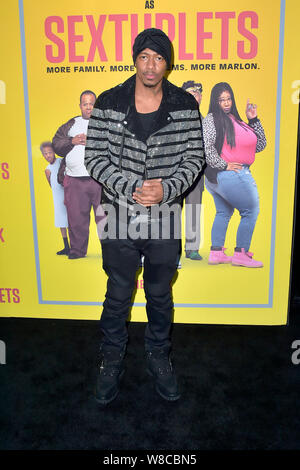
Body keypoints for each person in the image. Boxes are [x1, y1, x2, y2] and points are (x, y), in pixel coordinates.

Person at [84, 28, 204, 404]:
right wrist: (129, 186)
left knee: (158, 293)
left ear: (168, 63)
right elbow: (94, 158)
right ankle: (111, 358)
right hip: (118, 213)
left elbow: (195, 158)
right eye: (144, 57)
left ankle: (158, 355)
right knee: (118, 291)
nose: (151, 65)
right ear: (134, 59)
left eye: (159, 58)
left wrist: (167, 189)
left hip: (166, 214)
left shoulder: (185, 103)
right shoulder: (108, 102)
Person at [203, 82, 267, 267]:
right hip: (229, 175)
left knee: (224, 212)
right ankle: (241, 254)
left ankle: (216, 253)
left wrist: (253, 119)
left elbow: (260, 145)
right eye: (221, 99)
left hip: (224, 177)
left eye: (228, 98)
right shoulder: (212, 119)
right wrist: (223, 164)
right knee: (250, 211)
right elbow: (206, 148)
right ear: (215, 101)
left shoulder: (236, 120)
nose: (226, 103)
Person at [52, 90, 104, 259]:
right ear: (80, 106)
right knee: (75, 219)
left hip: (98, 180)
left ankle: (110, 252)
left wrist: (95, 142)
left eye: (91, 104)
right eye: (85, 104)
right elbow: (56, 145)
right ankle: (77, 251)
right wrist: (72, 141)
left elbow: (116, 146)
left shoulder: (103, 123)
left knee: (105, 218)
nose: (88, 107)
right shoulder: (71, 124)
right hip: (74, 180)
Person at [182, 81, 205, 261]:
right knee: (170, 212)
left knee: (194, 211)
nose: (194, 97)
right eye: (190, 93)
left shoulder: (206, 121)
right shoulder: (174, 118)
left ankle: (192, 249)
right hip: (175, 174)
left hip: (197, 175)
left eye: (197, 93)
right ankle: (169, 251)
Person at [40, 141, 69, 255]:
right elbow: (51, 185)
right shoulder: (47, 169)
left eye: (50, 153)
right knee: (61, 222)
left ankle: (75, 246)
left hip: (67, 195)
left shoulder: (61, 162)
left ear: (54, 152)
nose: (48, 155)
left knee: (71, 220)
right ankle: (66, 246)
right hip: (57, 198)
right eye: (45, 154)